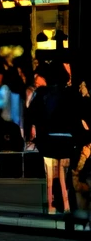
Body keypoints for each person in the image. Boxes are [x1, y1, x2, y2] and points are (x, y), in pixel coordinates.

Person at [26, 61, 81, 216]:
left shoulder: (42, 93)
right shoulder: (72, 93)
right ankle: (67, 205)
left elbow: (31, 114)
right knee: (64, 173)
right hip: (67, 140)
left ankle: (51, 206)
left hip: (48, 139)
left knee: (50, 173)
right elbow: (78, 117)